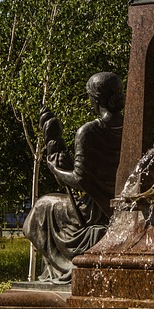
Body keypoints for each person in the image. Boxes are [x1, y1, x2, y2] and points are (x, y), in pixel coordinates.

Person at [23, 72, 125, 283]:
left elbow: (80, 180)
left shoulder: (88, 131)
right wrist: (68, 164)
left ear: (96, 99)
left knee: (43, 206)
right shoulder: (132, 128)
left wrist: (55, 170)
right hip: (120, 205)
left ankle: (59, 270)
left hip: (92, 211)